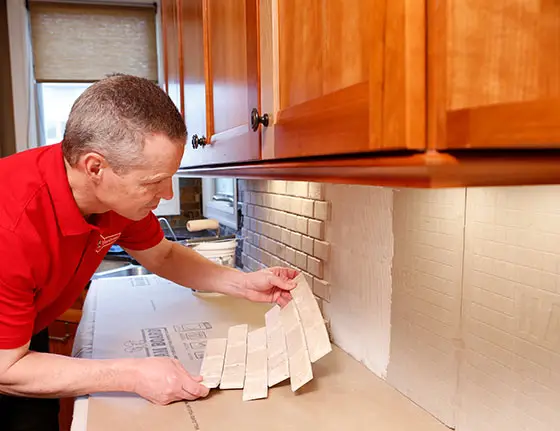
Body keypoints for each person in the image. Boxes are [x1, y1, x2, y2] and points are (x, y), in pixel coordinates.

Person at [0, 74, 298, 431]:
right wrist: (133, 374)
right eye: (153, 182)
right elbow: (7, 369)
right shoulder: (11, 226)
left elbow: (162, 255)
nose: (167, 194)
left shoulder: (114, 200)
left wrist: (243, 284)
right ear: (95, 167)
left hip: (21, 334)